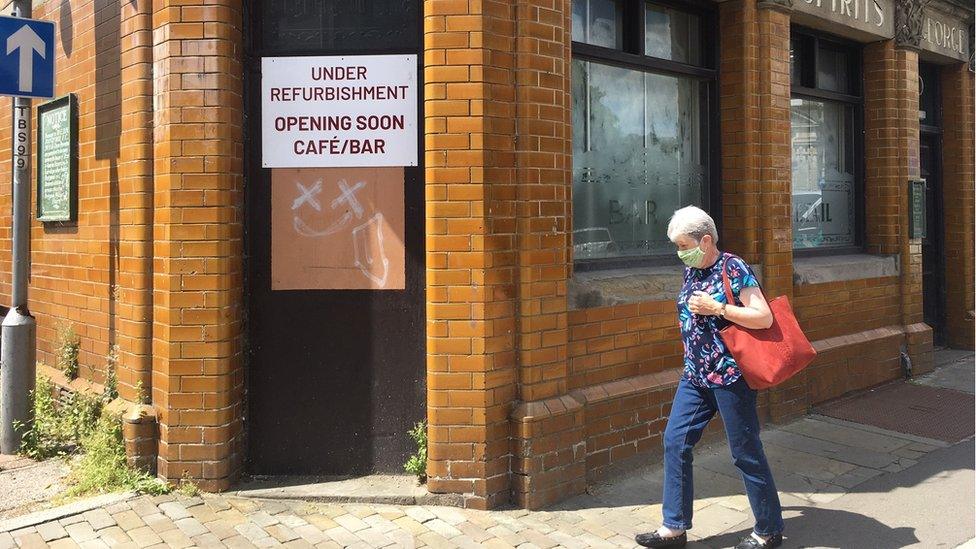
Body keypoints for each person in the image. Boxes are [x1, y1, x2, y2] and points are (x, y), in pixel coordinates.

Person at [635, 206, 785, 549]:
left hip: (731, 377)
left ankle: (769, 529)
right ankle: (674, 528)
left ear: (705, 241)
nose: (679, 252)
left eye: (683, 245)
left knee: (745, 451)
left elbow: (763, 317)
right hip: (696, 376)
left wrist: (718, 308)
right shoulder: (694, 270)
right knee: (676, 441)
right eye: (676, 246)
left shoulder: (733, 267)